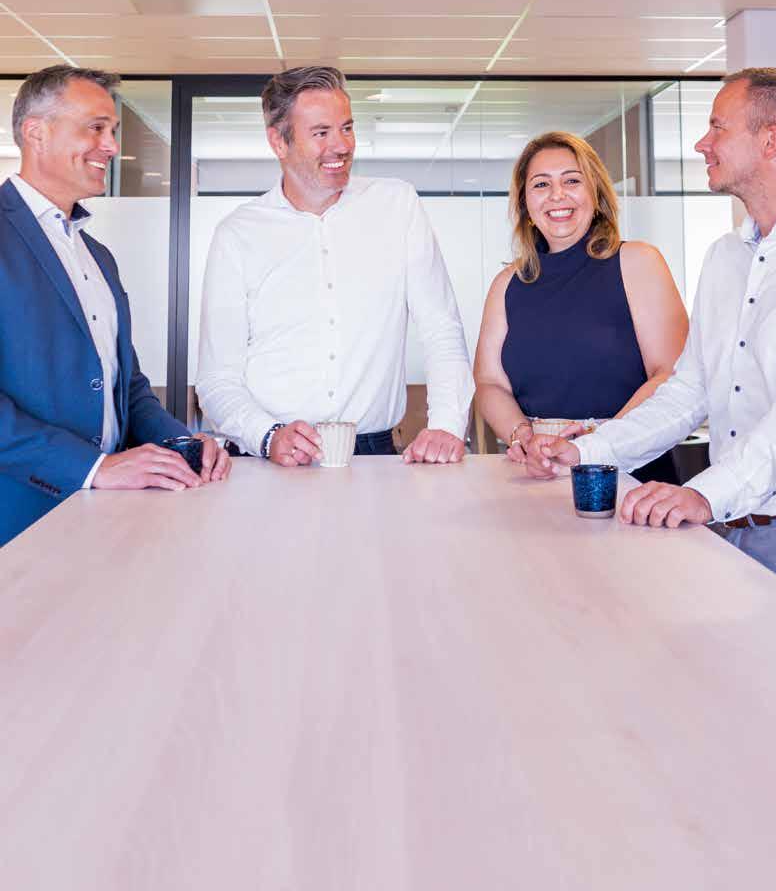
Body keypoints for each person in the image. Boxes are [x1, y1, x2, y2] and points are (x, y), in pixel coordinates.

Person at [535, 68, 776, 606]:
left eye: (718, 127)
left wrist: (704, 493)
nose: (702, 143)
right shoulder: (725, 257)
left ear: (771, 141)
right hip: (731, 528)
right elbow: (689, 391)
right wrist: (585, 452)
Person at [0, 66, 231, 547]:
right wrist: (93, 467)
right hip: (18, 517)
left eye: (113, 130)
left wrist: (182, 442)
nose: (110, 146)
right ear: (36, 133)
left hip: (103, 519)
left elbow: (125, 385)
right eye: (95, 128)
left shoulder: (97, 256)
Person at [196, 65, 473, 466]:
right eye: (321, 133)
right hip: (268, 457)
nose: (341, 145)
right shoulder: (237, 234)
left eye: (347, 128)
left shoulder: (397, 206)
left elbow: (441, 328)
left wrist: (447, 424)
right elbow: (217, 379)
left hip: (371, 456)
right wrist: (267, 435)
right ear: (278, 141)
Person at [474, 131, 688, 480]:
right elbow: (489, 382)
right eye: (541, 184)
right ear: (526, 203)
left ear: (596, 193)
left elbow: (670, 373)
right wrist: (523, 438)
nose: (557, 194)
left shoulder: (639, 262)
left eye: (572, 180)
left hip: (627, 469)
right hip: (538, 471)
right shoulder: (506, 284)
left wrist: (595, 446)